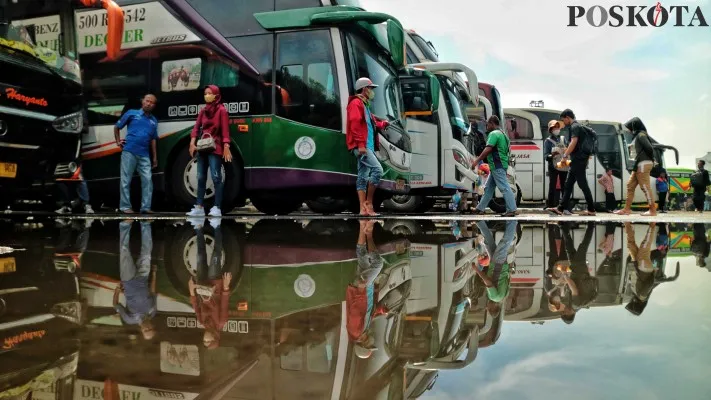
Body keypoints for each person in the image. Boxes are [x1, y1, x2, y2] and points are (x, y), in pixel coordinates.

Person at [187, 85, 233, 217]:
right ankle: (199, 206)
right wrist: (192, 142)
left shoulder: (222, 110)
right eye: (205, 93)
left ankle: (217, 207)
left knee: (216, 176)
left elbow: (225, 130)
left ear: (216, 95)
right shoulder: (203, 111)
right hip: (202, 147)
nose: (207, 95)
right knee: (200, 177)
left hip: (216, 147)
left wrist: (226, 146)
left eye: (209, 93)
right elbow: (196, 128)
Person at [346, 77, 390, 216]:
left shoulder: (364, 105)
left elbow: (372, 123)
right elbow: (354, 124)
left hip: (367, 145)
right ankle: (369, 203)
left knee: (363, 176)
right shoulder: (356, 103)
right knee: (378, 170)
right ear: (364, 89)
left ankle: (363, 209)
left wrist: (383, 124)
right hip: (362, 146)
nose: (372, 91)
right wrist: (360, 145)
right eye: (371, 88)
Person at [187, 216, 231, 349]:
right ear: (215, 338)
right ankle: (217, 224)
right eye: (208, 341)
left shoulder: (201, 321)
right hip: (214, 284)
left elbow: (195, 303)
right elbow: (224, 303)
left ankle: (198, 226)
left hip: (201, 284)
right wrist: (226, 286)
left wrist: (191, 290)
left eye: (204, 342)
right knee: (216, 254)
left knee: (200, 254)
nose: (204, 340)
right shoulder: (221, 322)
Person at [346, 220, 386, 359]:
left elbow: (356, 310)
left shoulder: (355, 331)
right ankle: (363, 224)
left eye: (370, 345)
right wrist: (380, 311)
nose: (372, 342)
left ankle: (368, 234)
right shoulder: (363, 330)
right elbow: (368, 312)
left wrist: (361, 289)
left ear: (363, 343)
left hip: (361, 288)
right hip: (363, 289)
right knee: (362, 257)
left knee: (377, 264)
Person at [114, 94, 158, 214]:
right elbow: (117, 126)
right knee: (125, 180)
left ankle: (146, 207)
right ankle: (125, 207)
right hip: (129, 151)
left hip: (144, 154)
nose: (149, 103)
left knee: (148, 180)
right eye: (147, 101)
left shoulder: (154, 121)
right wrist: (118, 142)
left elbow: (153, 140)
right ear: (142, 101)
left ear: (154, 106)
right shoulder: (132, 113)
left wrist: (154, 157)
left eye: (152, 102)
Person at [547, 109, 596, 216]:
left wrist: (564, 156)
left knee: (583, 184)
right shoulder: (577, 126)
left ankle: (591, 209)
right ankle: (560, 208)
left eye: (563, 120)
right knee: (568, 184)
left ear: (568, 118)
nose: (563, 123)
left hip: (578, 160)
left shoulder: (575, 127)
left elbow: (574, 142)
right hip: (577, 160)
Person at [114, 220, 157, 340]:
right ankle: (145, 224)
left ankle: (125, 225)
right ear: (153, 326)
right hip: (143, 276)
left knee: (124, 250)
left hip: (128, 279)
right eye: (150, 329)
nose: (147, 328)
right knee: (147, 252)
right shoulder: (152, 312)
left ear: (142, 331)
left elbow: (116, 305)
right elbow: (152, 292)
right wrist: (154, 273)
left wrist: (117, 289)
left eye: (145, 331)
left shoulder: (129, 319)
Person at [469, 116, 518, 217]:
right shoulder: (503, 134)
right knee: (488, 188)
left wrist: (476, 161)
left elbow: (488, 149)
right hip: (499, 165)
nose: (486, 127)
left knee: (504, 187)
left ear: (492, 123)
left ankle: (512, 209)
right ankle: (480, 209)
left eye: (487, 124)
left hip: (497, 165)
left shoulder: (493, 134)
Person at [612, 117, 656, 216]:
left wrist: (649, 159)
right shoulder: (637, 136)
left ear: (634, 126)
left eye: (629, 128)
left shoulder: (641, 135)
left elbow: (649, 148)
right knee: (630, 185)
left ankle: (652, 210)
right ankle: (626, 209)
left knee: (645, 187)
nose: (628, 130)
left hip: (643, 164)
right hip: (638, 165)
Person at [543, 120, 568, 208]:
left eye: (558, 127)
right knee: (552, 185)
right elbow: (546, 156)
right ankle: (551, 206)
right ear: (551, 129)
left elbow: (567, 150)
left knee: (564, 186)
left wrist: (565, 151)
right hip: (553, 165)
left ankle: (565, 207)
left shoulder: (563, 138)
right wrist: (552, 154)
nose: (557, 129)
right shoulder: (548, 141)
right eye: (555, 127)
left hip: (563, 164)